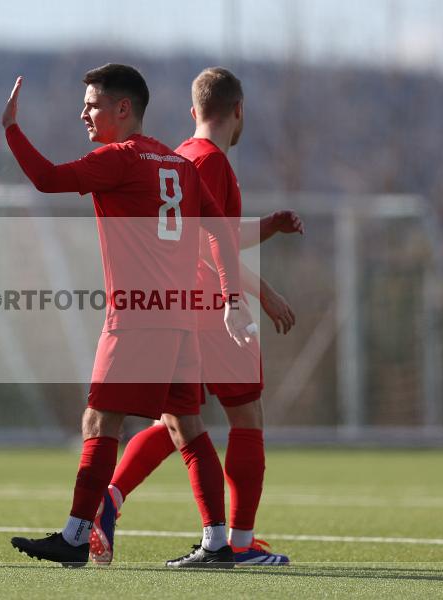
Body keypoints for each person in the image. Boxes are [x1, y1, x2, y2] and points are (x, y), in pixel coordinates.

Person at [3, 64, 257, 568]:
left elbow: (48, 178)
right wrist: (233, 300)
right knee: (188, 426)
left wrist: (11, 129)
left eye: (93, 105)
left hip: (138, 317)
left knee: (100, 419)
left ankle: (76, 536)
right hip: (181, 317)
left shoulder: (118, 158)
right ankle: (218, 541)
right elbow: (222, 234)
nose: (84, 114)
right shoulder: (178, 163)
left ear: (124, 109)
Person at [88, 67, 303, 567]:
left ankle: (109, 500)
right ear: (239, 110)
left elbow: (213, 232)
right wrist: (261, 293)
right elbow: (209, 247)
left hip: (180, 307)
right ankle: (241, 542)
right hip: (210, 305)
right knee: (246, 416)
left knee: (176, 421)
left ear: (192, 112)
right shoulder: (211, 164)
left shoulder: (182, 156)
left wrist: (267, 227)